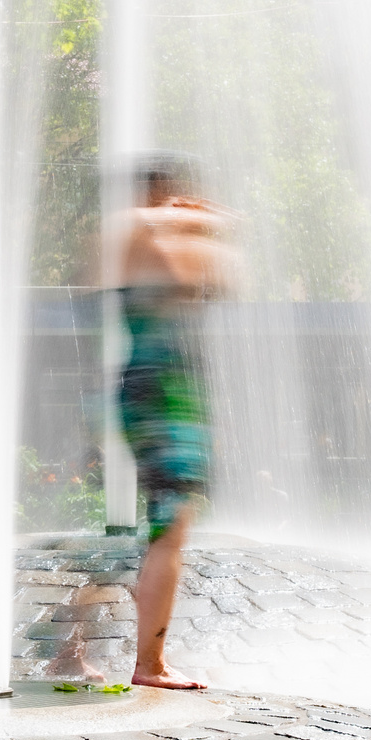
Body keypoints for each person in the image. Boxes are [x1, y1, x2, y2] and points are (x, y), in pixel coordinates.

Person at [118, 157, 239, 690]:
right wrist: (203, 223)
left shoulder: (156, 238)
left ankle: (70, 654)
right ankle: (150, 665)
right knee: (171, 527)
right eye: (170, 196)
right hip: (161, 394)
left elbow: (221, 283)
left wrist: (205, 230)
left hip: (169, 391)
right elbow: (183, 268)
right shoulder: (138, 232)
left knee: (165, 527)